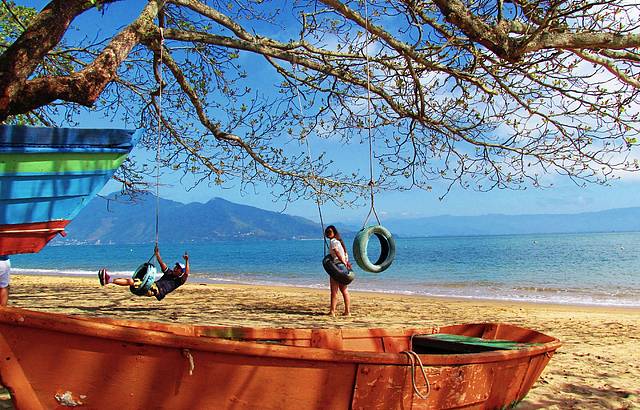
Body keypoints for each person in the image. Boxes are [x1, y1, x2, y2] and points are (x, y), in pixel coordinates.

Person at [98, 246, 189, 301]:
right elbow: (162, 264)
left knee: (131, 282)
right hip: (151, 285)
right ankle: (108, 279)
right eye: (176, 267)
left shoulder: (179, 281)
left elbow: (186, 274)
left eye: (178, 268)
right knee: (131, 281)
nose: (175, 268)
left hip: (155, 291)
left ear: (181, 272)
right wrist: (157, 254)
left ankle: (108, 280)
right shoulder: (169, 273)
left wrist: (187, 261)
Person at [324, 225, 352, 316]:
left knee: (334, 291)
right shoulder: (340, 242)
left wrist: (343, 262)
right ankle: (347, 312)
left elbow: (337, 253)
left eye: (330, 231)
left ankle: (332, 312)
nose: (328, 233)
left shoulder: (333, 241)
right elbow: (345, 255)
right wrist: (346, 264)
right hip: (343, 268)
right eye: (327, 232)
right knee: (344, 290)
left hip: (337, 267)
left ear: (334, 233)